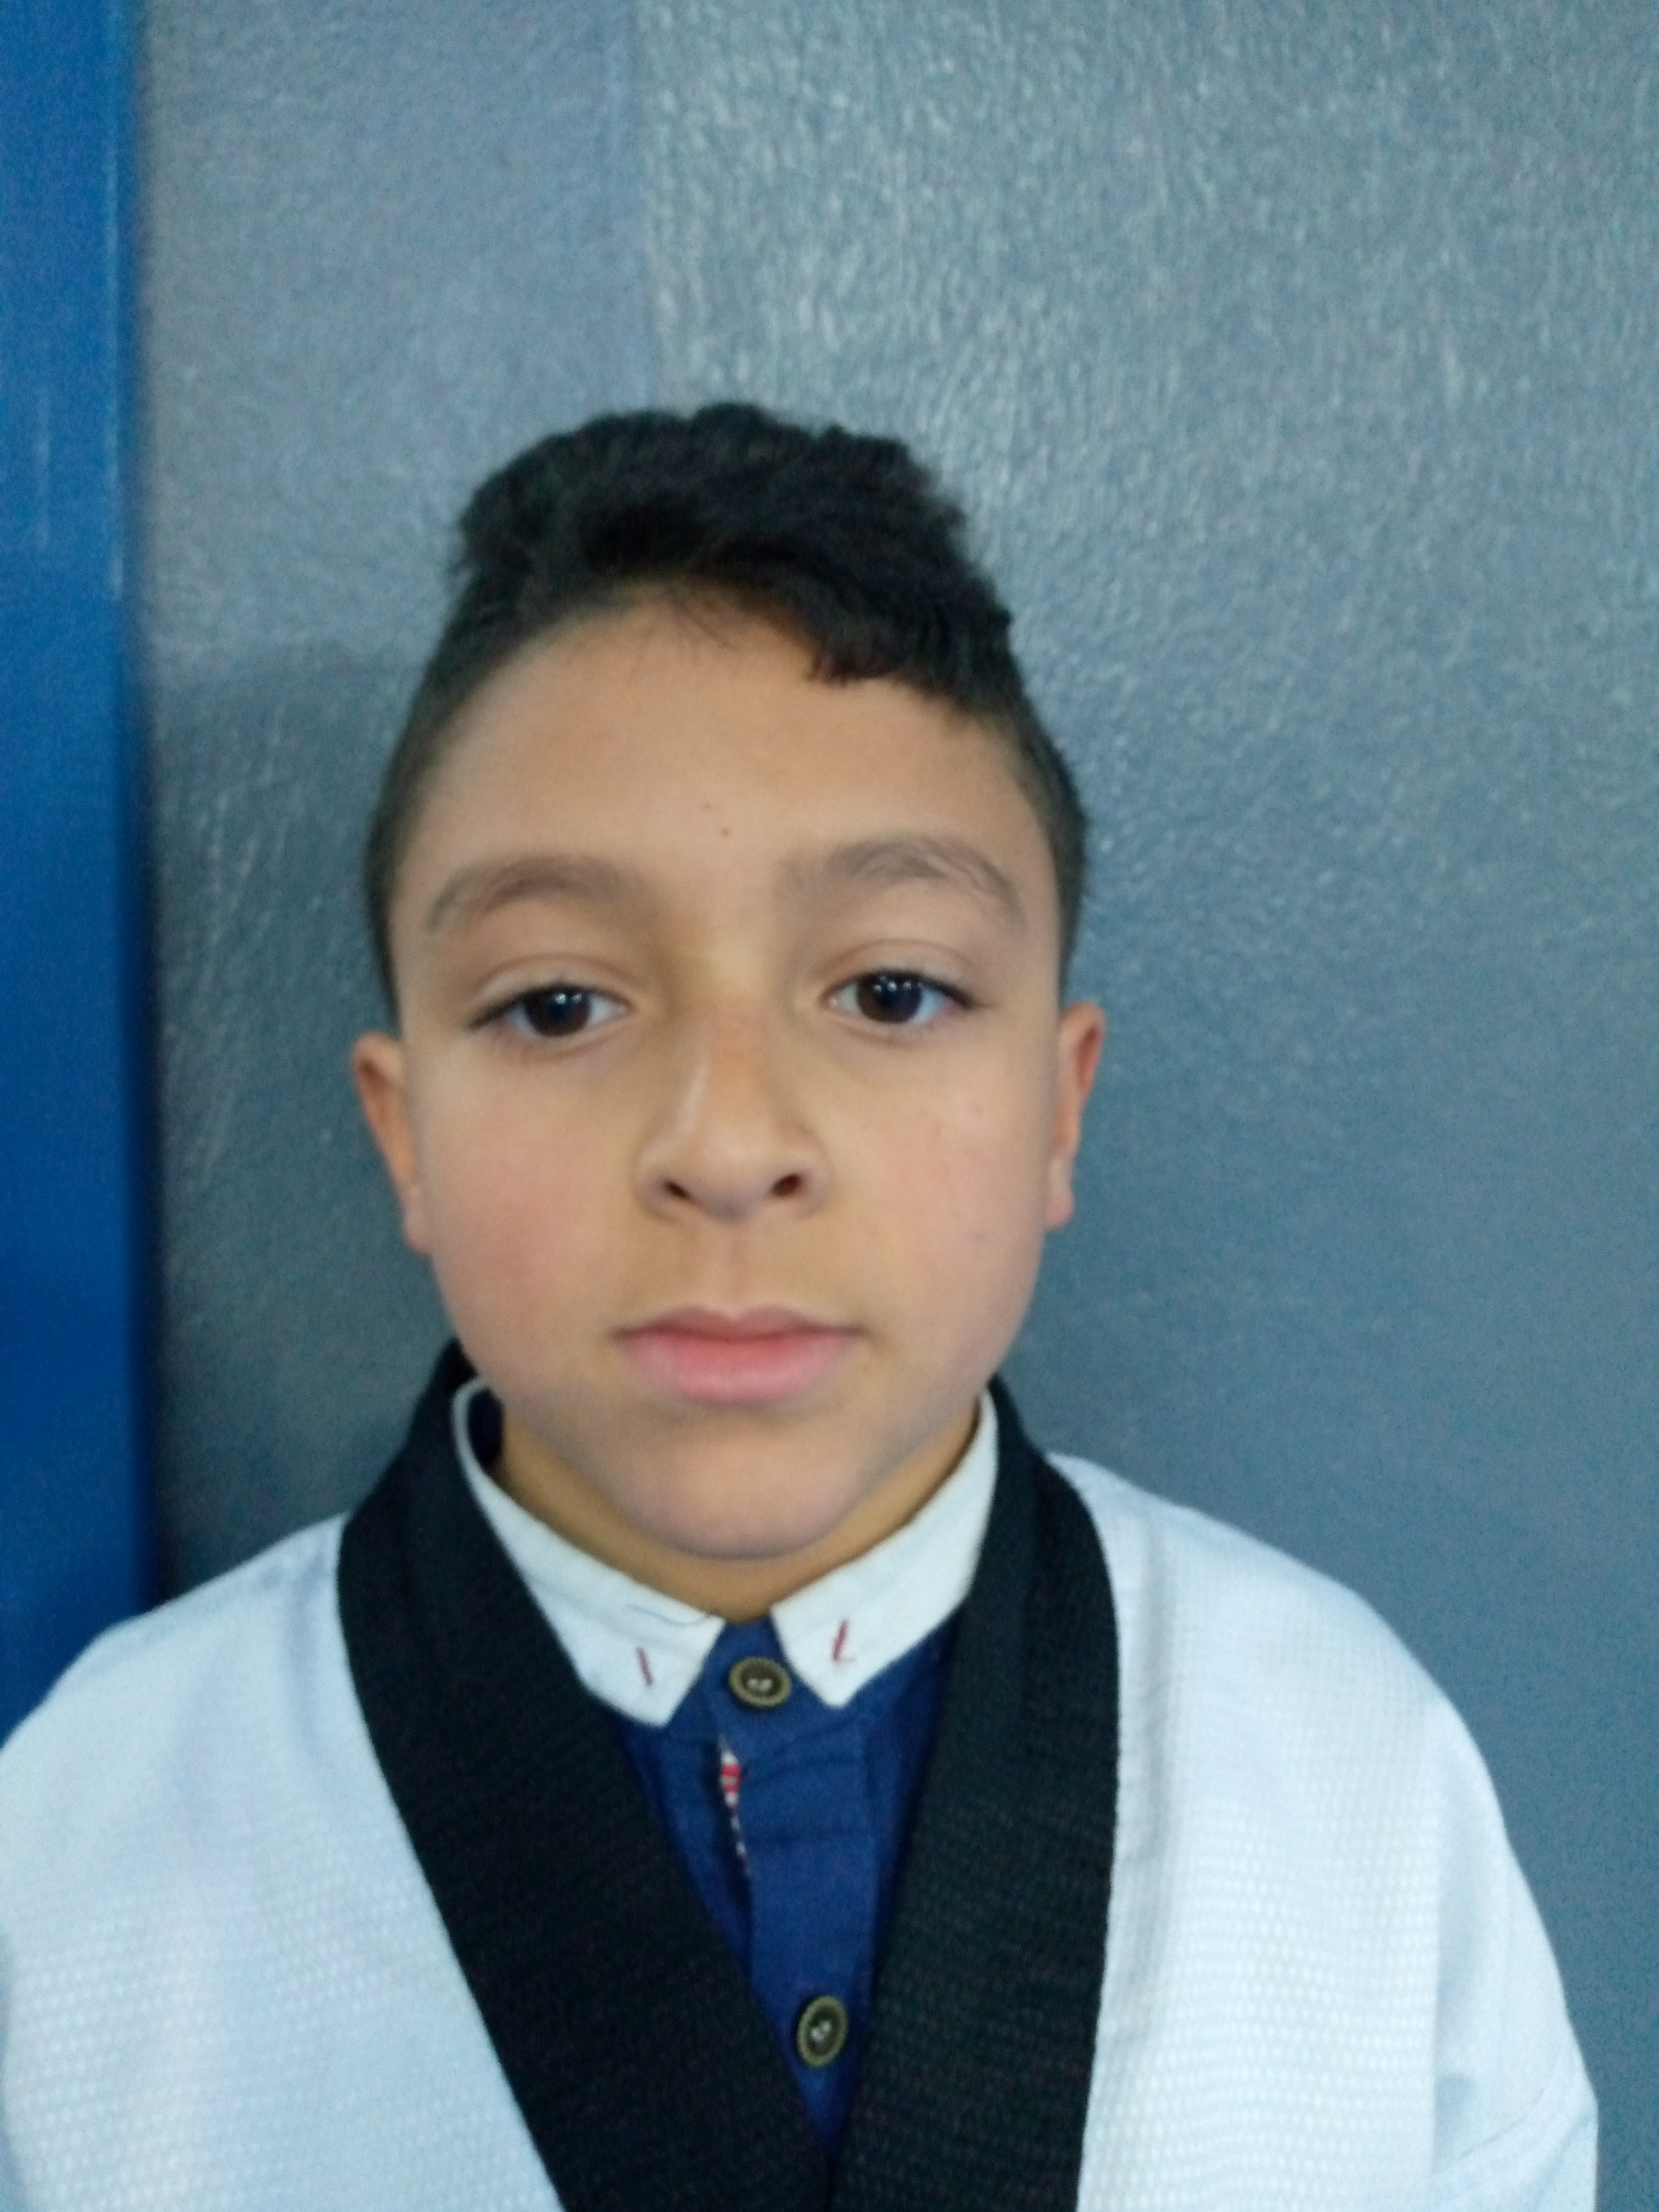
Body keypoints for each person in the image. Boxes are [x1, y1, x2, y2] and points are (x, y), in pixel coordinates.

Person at [0, 406, 1594, 2210]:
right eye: (557, 1005)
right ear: (404, 1132)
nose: (730, 1145)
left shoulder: (1348, 1770)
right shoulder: (90, 1844)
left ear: (1058, 1109)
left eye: (893, 992)